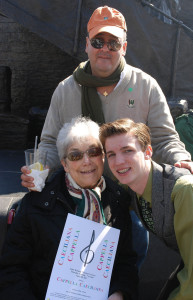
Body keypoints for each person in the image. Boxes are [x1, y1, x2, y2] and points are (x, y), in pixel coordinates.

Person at [20, 5, 193, 269]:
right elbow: (51, 142)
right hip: (79, 198)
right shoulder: (66, 89)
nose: (105, 48)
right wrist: (39, 168)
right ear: (87, 44)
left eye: (113, 42)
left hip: (130, 200)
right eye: (98, 41)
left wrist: (182, 160)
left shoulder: (145, 85)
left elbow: (166, 139)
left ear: (124, 46)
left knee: (128, 264)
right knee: (78, 269)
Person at [0, 117, 138, 300]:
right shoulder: (36, 203)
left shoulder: (118, 200)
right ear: (64, 164)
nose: (86, 161)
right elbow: (12, 269)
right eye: (75, 155)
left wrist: (119, 293)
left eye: (93, 151)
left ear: (103, 156)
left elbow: (125, 263)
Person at [99, 118, 193, 300]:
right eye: (111, 154)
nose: (119, 161)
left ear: (148, 152)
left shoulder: (184, 190)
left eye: (127, 150)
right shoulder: (129, 185)